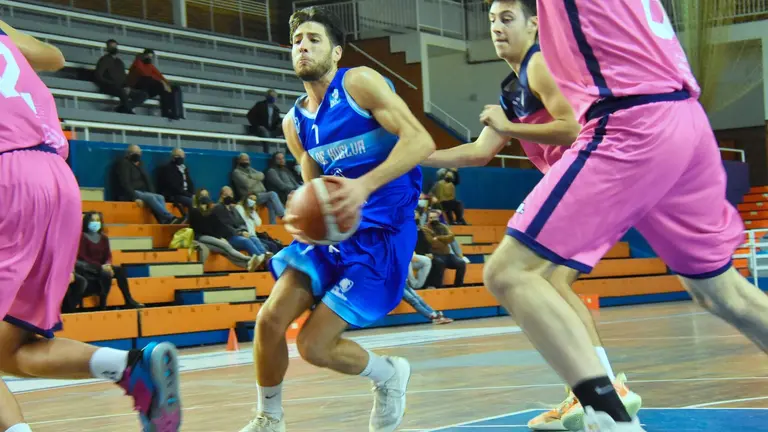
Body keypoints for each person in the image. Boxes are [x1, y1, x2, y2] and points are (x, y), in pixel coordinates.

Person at [480, 1, 768, 431]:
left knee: (510, 273)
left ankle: (613, 420)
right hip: (683, 118)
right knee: (723, 294)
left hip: (631, 121)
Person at [423, 1, 641, 430]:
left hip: (594, 176)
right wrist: (416, 156)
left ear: (534, 24)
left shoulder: (541, 64)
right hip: (588, 184)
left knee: (544, 281)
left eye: (507, 18)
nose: (497, 28)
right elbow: (479, 152)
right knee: (552, 283)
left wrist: (509, 128)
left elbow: (572, 127)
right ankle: (593, 389)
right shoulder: (512, 87)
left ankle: (602, 390)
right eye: (491, 20)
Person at [238, 6, 435, 432]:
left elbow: (420, 140)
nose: (303, 47)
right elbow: (313, 180)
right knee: (269, 320)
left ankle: (388, 374)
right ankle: (269, 417)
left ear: (337, 50)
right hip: (334, 234)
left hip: (382, 233)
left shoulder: (359, 83)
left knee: (313, 346)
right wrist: (302, 211)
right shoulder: (294, 122)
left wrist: (363, 188)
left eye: (313, 38)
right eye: (296, 41)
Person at [0, 21, 181, 432]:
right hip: (57, 177)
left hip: (7, 172)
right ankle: (130, 367)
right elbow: (54, 56)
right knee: (9, 350)